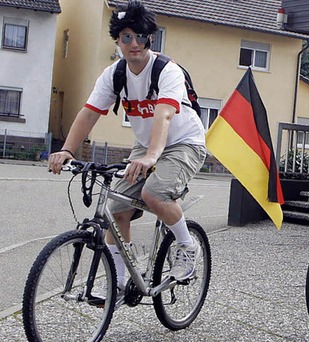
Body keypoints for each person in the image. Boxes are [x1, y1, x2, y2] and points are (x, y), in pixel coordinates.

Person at [47, 1, 207, 294]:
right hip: (147, 146)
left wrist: (151, 157)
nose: (134, 43)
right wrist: (68, 149)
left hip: (184, 143)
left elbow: (165, 114)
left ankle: (187, 246)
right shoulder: (114, 74)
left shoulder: (166, 71)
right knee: (116, 209)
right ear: (117, 40)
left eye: (141, 36)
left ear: (151, 38)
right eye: (126, 37)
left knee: (154, 193)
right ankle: (119, 281)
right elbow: (89, 112)